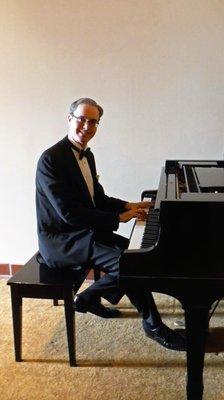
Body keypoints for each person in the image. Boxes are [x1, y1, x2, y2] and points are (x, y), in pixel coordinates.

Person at [35, 97, 186, 351]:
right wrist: (117, 218)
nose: (86, 126)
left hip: (86, 232)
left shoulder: (87, 156)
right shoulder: (50, 160)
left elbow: (98, 198)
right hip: (63, 241)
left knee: (138, 256)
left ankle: (88, 298)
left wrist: (129, 206)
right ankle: (153, 326)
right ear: (69, 119)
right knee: (131, 265)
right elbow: (68, 214)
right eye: (81, 119)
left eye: (93, 122)